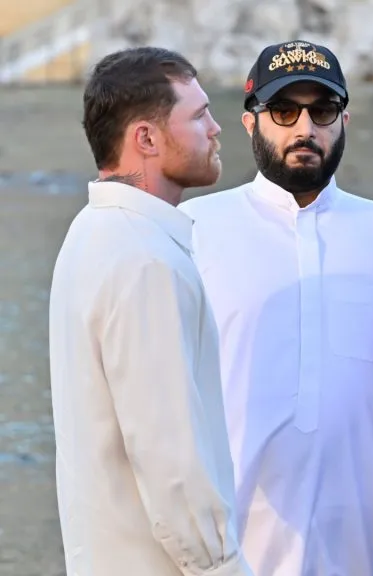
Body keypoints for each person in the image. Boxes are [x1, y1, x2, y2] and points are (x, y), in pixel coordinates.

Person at [178, 40, 373, 576]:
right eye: (284, 111)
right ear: (251, 122)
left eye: (322, 110)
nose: (304, 128)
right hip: (233, 550)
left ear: (344, 119)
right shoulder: (197, 230)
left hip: (371, 545)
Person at [48, 47, 250, 575]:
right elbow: (169, 458)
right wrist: (222, 566)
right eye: (199, 114)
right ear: (146, 138)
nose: (216, 128)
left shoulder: (89, 235)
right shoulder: (144, 260)